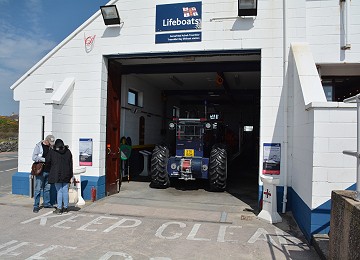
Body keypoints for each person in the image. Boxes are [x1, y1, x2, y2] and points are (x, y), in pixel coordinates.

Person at [46, 139, 73, 214]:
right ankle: (66, 207)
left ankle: (59, 208)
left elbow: (47, 161)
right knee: (65, 191)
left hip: (56, 174)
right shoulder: (68, 152)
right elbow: (71, 164)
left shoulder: (52, 151)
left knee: (59, 191)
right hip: (66, 173)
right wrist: (71, 175)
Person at [32, 134, 55, 213]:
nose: (51, 144)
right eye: (50, 142)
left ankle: (47, 203)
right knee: (38, 189)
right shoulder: (38, 146)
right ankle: (36, 205)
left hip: (49, 170)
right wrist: (44, 159)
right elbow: (34, 157)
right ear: (46, 141)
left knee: (47, 189)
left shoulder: (51, 147)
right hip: (40, 171)